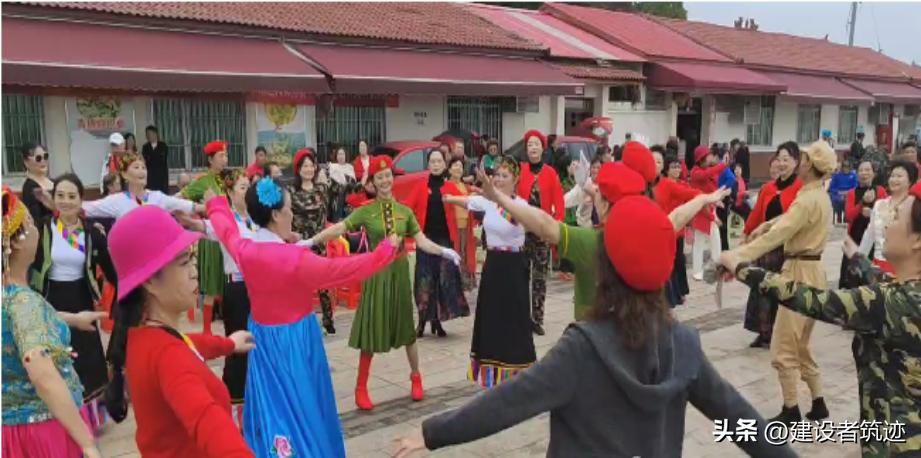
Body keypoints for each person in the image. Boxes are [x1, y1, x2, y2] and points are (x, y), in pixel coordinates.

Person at [394, 191, 793, 458]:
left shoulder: (583, 348)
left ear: (606, 269)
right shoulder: (684, 344)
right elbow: (743, 422)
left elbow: (509, 401)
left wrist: (431, 434)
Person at [720, 180, 921, 457]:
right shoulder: (906, 295)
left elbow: (813, 300)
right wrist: (858, 259)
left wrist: (743, 268)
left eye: (897, 216)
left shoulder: (887, 303)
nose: (887, 220)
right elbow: (887, 284)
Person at [203, 177, 398, 457]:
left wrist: (215, 204)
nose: (292, 214)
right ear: (275, 215)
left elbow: (225, 229)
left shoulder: (246, 249)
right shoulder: (295, 260)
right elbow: (342, 270)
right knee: (304, 406)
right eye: (289, 209)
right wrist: (385, 252)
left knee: (273, 405)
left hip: (263, 341)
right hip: (296, 342)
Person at [306, 156, 461, 411]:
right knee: (371, 328)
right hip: (376, 275)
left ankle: (416, 377)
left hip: (399, 273)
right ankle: (361, 387)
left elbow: (420, 240)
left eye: (388, 175)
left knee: (407, 330)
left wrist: (443, 251)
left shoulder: (405, 212)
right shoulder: (366, 211)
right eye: (380, 177)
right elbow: (341, 228)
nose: (385, 180)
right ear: (373, 182)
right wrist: (312, 241)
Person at [103, 205, 255, 457]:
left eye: (193, 258)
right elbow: (209, 424)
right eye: (185, 262)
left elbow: (189, 343)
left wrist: (227, 344)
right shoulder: (170, 357)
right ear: (150, 281)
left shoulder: (143, 336)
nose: (195, 271)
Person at [724, 141, 837, 423]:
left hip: (798, 272)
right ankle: (818, 401)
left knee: (784, 346)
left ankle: (790, 410)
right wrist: (765, 224)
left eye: (801, 159)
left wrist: (737, 256)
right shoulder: (817, 195)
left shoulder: (808, 197)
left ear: (809, 165)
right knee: (802, 344)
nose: (796, 163)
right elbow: (787, 220)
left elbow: (782, 232)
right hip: (814, 271)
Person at [2, 186, 103, 458]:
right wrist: (86, 442)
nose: (37, 230)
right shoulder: (23, 302)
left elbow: (23, 326)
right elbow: (43, 374)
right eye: (32, 224)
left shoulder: (9, 296)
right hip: (45, 430)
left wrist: (73, 319)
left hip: (13, 430)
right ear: (20, 241)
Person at [29, 174, 116, 433]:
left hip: (81, 297)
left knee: (86, 358)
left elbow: (112, 270)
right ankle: (58, 415)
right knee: (56, 357)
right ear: (53, 199)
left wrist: (131, 293)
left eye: (72, 196)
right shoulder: (43, 228)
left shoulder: (91, 233)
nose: (66, 202)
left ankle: (87, 419)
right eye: (60, 196)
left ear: (81, 200)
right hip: (50, 299)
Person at [444, 156, 535, 387]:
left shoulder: (521, 206)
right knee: (492, 316)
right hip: (494, 264)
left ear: (515, 180)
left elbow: (517, 218)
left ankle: (518, 371)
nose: (500, 179)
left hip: (514, 266)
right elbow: (468, 202)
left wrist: (494, 196)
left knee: (514, 317)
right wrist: (447, 197)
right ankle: (490, 370)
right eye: (497, 175)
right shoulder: (488, 203)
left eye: (505, 176)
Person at [178, 169, 255, 427]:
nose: (248, 191)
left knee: (258, 345)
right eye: (243, 187)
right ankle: (234, 405)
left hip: (259, 288)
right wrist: (182, 216)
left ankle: (255, 399)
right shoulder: (225, 220)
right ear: (231, 194)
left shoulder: (256, 219)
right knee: (238, 348)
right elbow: (200, 225)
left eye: (249, 186)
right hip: (236, 289)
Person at [742, 143, 803, 349]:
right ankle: (763, 332)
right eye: (780, 158)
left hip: (787, 248)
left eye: (787, 159)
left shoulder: (800, 188)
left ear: (796, 162)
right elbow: (757, 214)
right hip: (767, 247)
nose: (782, 163)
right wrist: (747, 234)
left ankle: (782, 333)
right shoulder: (768, 188)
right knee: (761, 288)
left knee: (781, 290)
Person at [404, 151, 471, 338]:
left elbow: (469, 201)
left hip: (444, 241)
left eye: (439, 161)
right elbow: (407, 209)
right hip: (425, 240)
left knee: (443, 281)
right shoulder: (420, 186)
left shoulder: (450, 186)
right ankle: (422, 321)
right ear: (428, 165)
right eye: (432, 161)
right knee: (424, 282)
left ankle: (437, 321)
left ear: (444, 165)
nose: (435, 164)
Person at [287, 148, 339, 334]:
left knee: (323, 283)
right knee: (300, 284)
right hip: (300, 245)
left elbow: (344, 189)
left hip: (319, 242)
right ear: (298, 169)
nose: (308, 169)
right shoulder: (291, 191)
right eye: (304, 166)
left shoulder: (323, 188)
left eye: (311, 165)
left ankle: (328, 319)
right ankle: (299, 318)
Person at [518, 130, 564, 336]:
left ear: (542, 148)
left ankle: (537, 319)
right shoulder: (520, 171)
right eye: (529, 145)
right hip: (522, 231)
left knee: (539, 278)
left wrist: (557, 225)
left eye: (536, 144)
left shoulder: (550, 173)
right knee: (520, 275)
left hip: (542, 232)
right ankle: (520, 317)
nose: (533, 148)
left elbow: (559, 202)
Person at [181, 140, 230, 335]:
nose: (225, 160)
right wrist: (197, 213)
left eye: (225, 156)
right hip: (210, 237)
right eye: (221, 156)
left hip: (227, 235)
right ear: (210, 159)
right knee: (211, 286)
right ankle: (207, 331)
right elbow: (183, 197)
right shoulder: (203, 181)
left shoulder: (225, 181)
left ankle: (228, 326)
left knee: (228, 283)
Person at [82, 152, 202, 220]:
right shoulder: (117, 200)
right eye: (136, 167)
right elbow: (89, 208)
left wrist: (212, 206)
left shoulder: (157, 197)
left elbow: (188, 206)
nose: (142, 171)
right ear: (124, 174)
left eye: (144, 168)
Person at [654, 153, 700, 307]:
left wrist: (691, 227)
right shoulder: (657, 185)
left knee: (679, 262)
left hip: (677, 230)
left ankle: (679, 292)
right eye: (673, 166)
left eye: (678, 166)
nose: (677, 169)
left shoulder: (682, 186)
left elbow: (692, 202)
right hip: (662, 230)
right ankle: (671, 295)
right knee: (668, 264)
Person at [858, 160, 918, 275]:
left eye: (899, 176)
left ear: (910, 181)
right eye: (892, 176)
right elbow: (869, 235)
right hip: (877, 268)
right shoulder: (879, 204)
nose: (894, 179)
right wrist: (859, 260)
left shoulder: (915, 206)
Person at [840, 160, 887, 288]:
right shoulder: (851, 193)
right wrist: (862, 203)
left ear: (873, 173)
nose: (864, 173)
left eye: (867, 170)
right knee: (850, 279)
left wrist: (872, 213)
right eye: (861, 170)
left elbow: (885, 215)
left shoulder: (880, 191)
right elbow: (849, 216)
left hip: (873, 242)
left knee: (870, 281)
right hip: (854, 239)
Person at [689, 145, 727, 281]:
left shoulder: (705, 170)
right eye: (708, 155)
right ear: (701, 159)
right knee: (700, 243)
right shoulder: (696, 172)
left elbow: (711, 186)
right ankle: (698, 271)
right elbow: (707, 175)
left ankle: (712, 268)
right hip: (701, 211)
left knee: (713, 241)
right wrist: (723, 165)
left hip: (709, 209)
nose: (711, 157)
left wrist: (717, 201)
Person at [20, 143, 55, 223]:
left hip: (68, 226)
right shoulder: (30, 187)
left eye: (45, 156)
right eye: (38, 158)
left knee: (81, 229)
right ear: (26, 162)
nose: (43, 161)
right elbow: (36, 220)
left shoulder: (54, 181)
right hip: (51, 231)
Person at [327, 146, 358, 222]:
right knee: (337, 221)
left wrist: (346, 184)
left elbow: (353, 183)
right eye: (339, 154)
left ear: (345, 155)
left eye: (342, 154)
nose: (341, 156)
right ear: (336, 156)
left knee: (348, 220)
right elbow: (329, 184)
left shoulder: (350, 167)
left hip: (348, 199)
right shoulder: (332, 167)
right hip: (336, 199)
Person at [828, 159, 858, 225]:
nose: (846, 168)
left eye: (847, 167)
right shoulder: (836, 176)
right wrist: (839, 192)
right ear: (842, 167)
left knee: (848, 200)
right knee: (839, 200)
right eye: (844, 167)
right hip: (838, 194)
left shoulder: (854, 176)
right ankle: (839, 217)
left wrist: (848, 192)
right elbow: (831, 188)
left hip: (850, 194)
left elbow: (856, 186)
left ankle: (846, 219)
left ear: (850, 167)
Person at [141, 125, 169, 194]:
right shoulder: (145, 147)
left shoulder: (163, 145)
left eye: (150, 134)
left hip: (161, 176)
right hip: (150, 176)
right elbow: (145, 160)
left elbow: (161, 159)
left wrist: (151, 157)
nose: (148, 136)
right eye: (147, 134)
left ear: (155, 134)